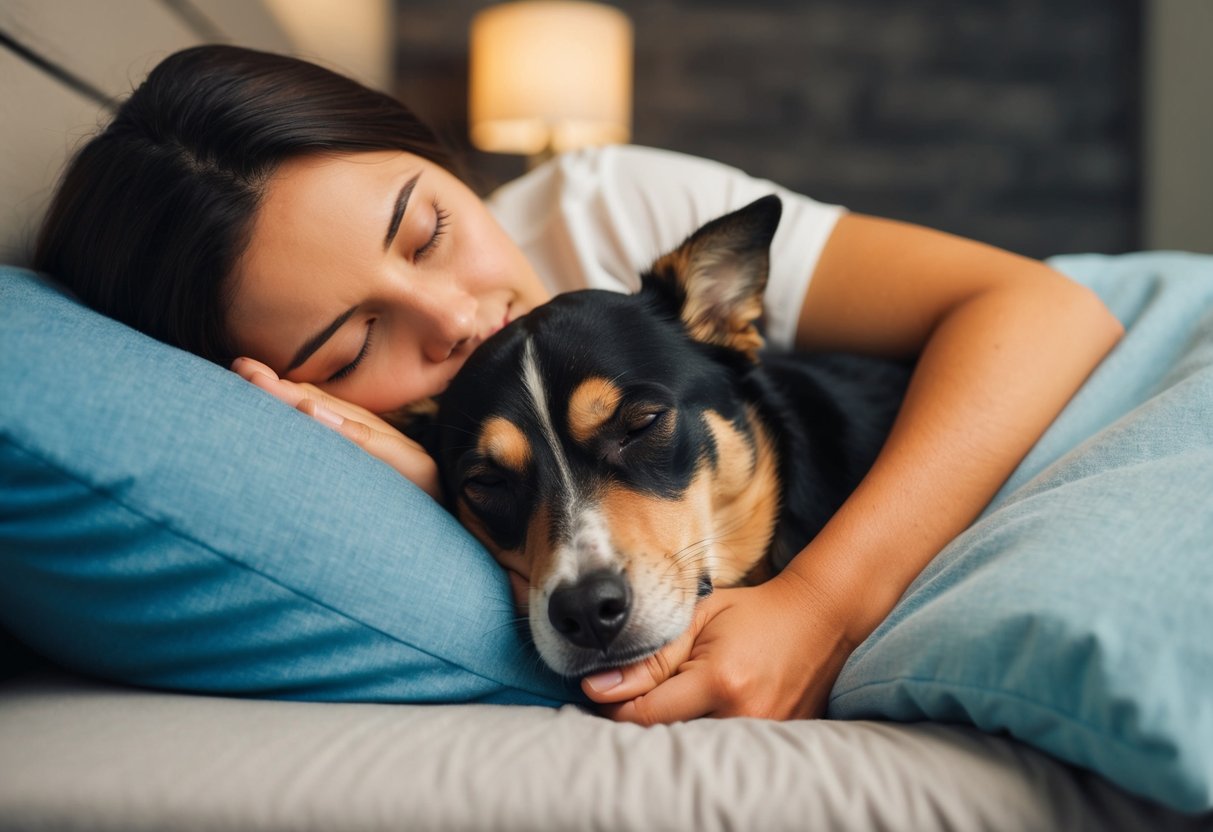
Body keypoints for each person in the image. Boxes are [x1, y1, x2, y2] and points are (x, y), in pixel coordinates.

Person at [34, 45, 1123, 724]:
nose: (461, 316)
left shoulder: (610, 212)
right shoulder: (391, 450)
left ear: (446, 164)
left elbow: (1047, 309)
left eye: (426, 232)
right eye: (354, 342)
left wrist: (817, 608)